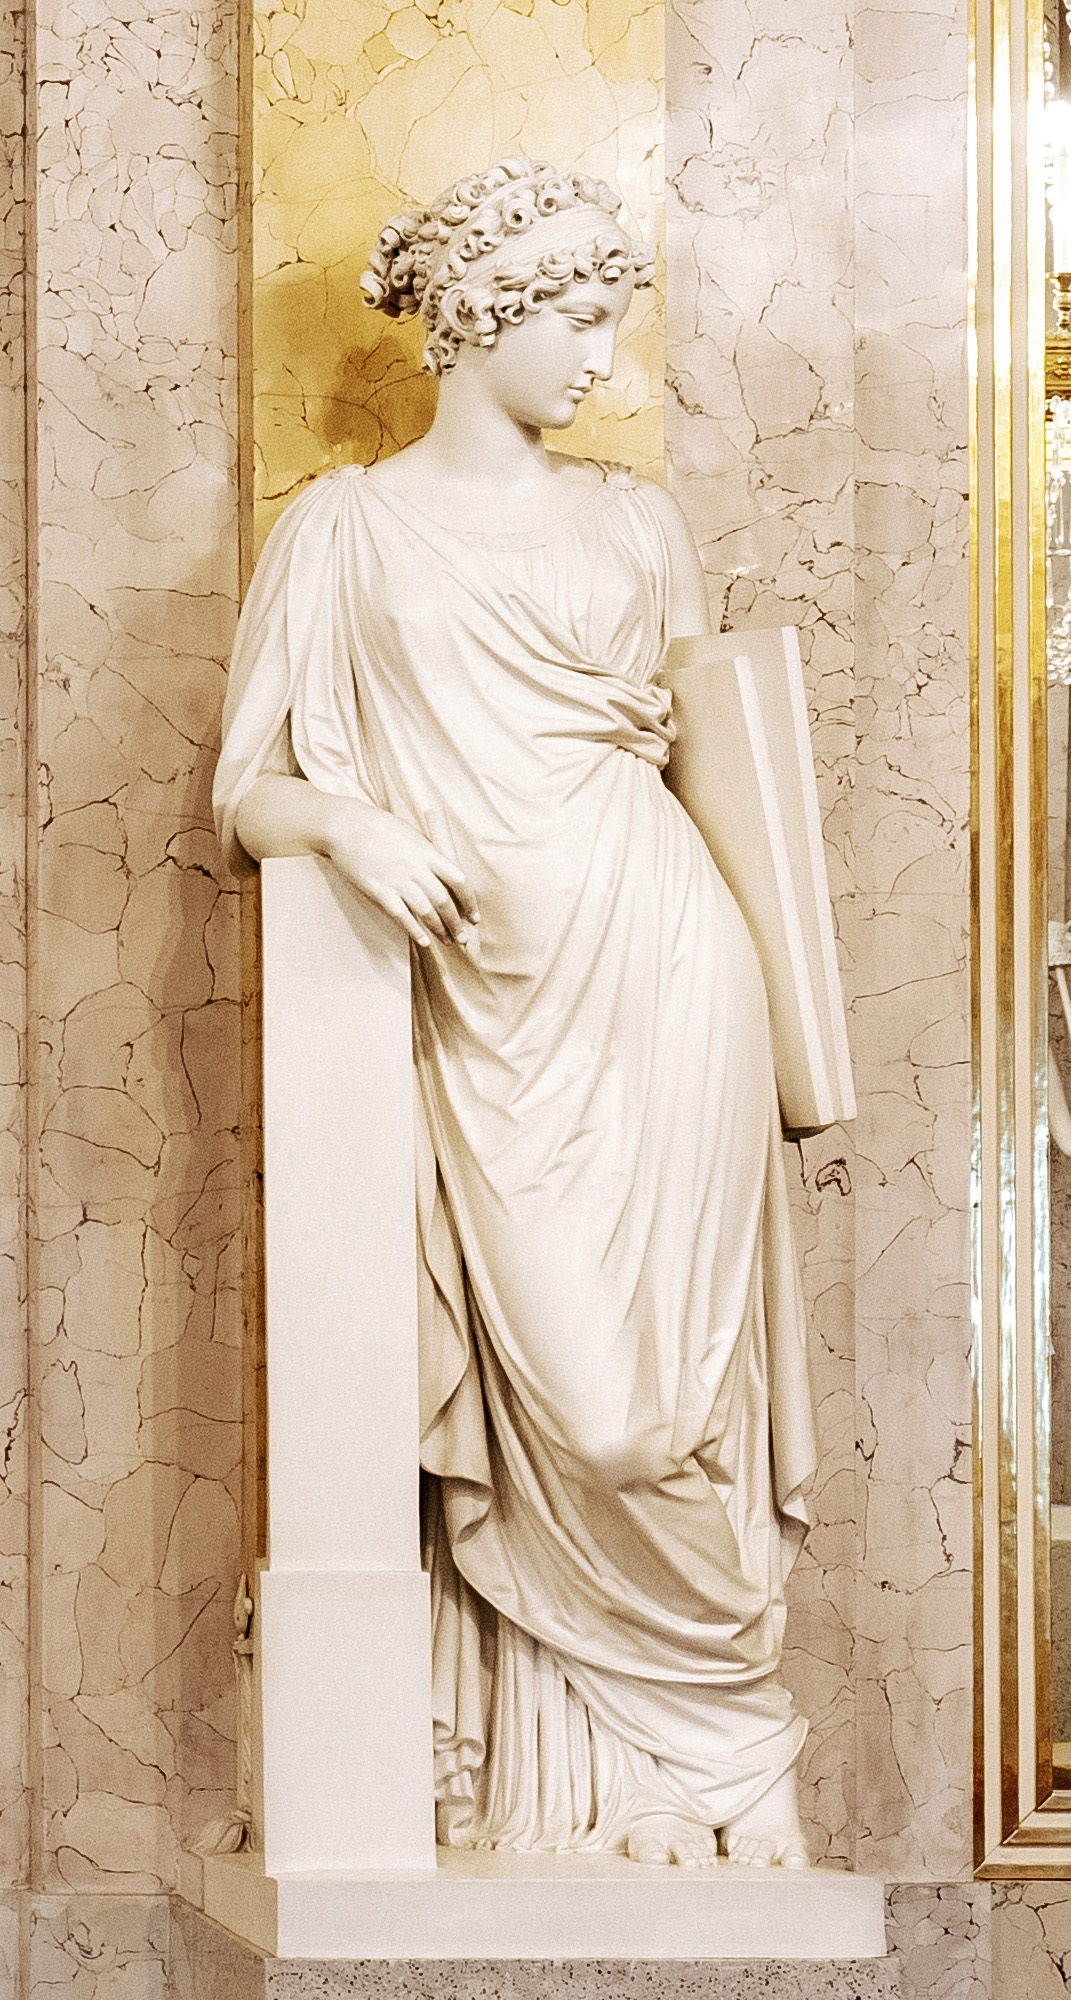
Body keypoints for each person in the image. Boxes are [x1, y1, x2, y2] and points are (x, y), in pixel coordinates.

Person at [213, 159, 816, 1869]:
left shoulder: (636, 524)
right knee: (588, 1406)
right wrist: (347, 823)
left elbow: (722, 771)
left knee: (681, 1397)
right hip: (486, 1012)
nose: (603, 361)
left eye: (612, 321)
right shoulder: (341, 532)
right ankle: (647, 1753)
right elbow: (247, 788)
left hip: (669, 967)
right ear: (480, 317)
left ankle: (717, 1764)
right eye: (579, 319)